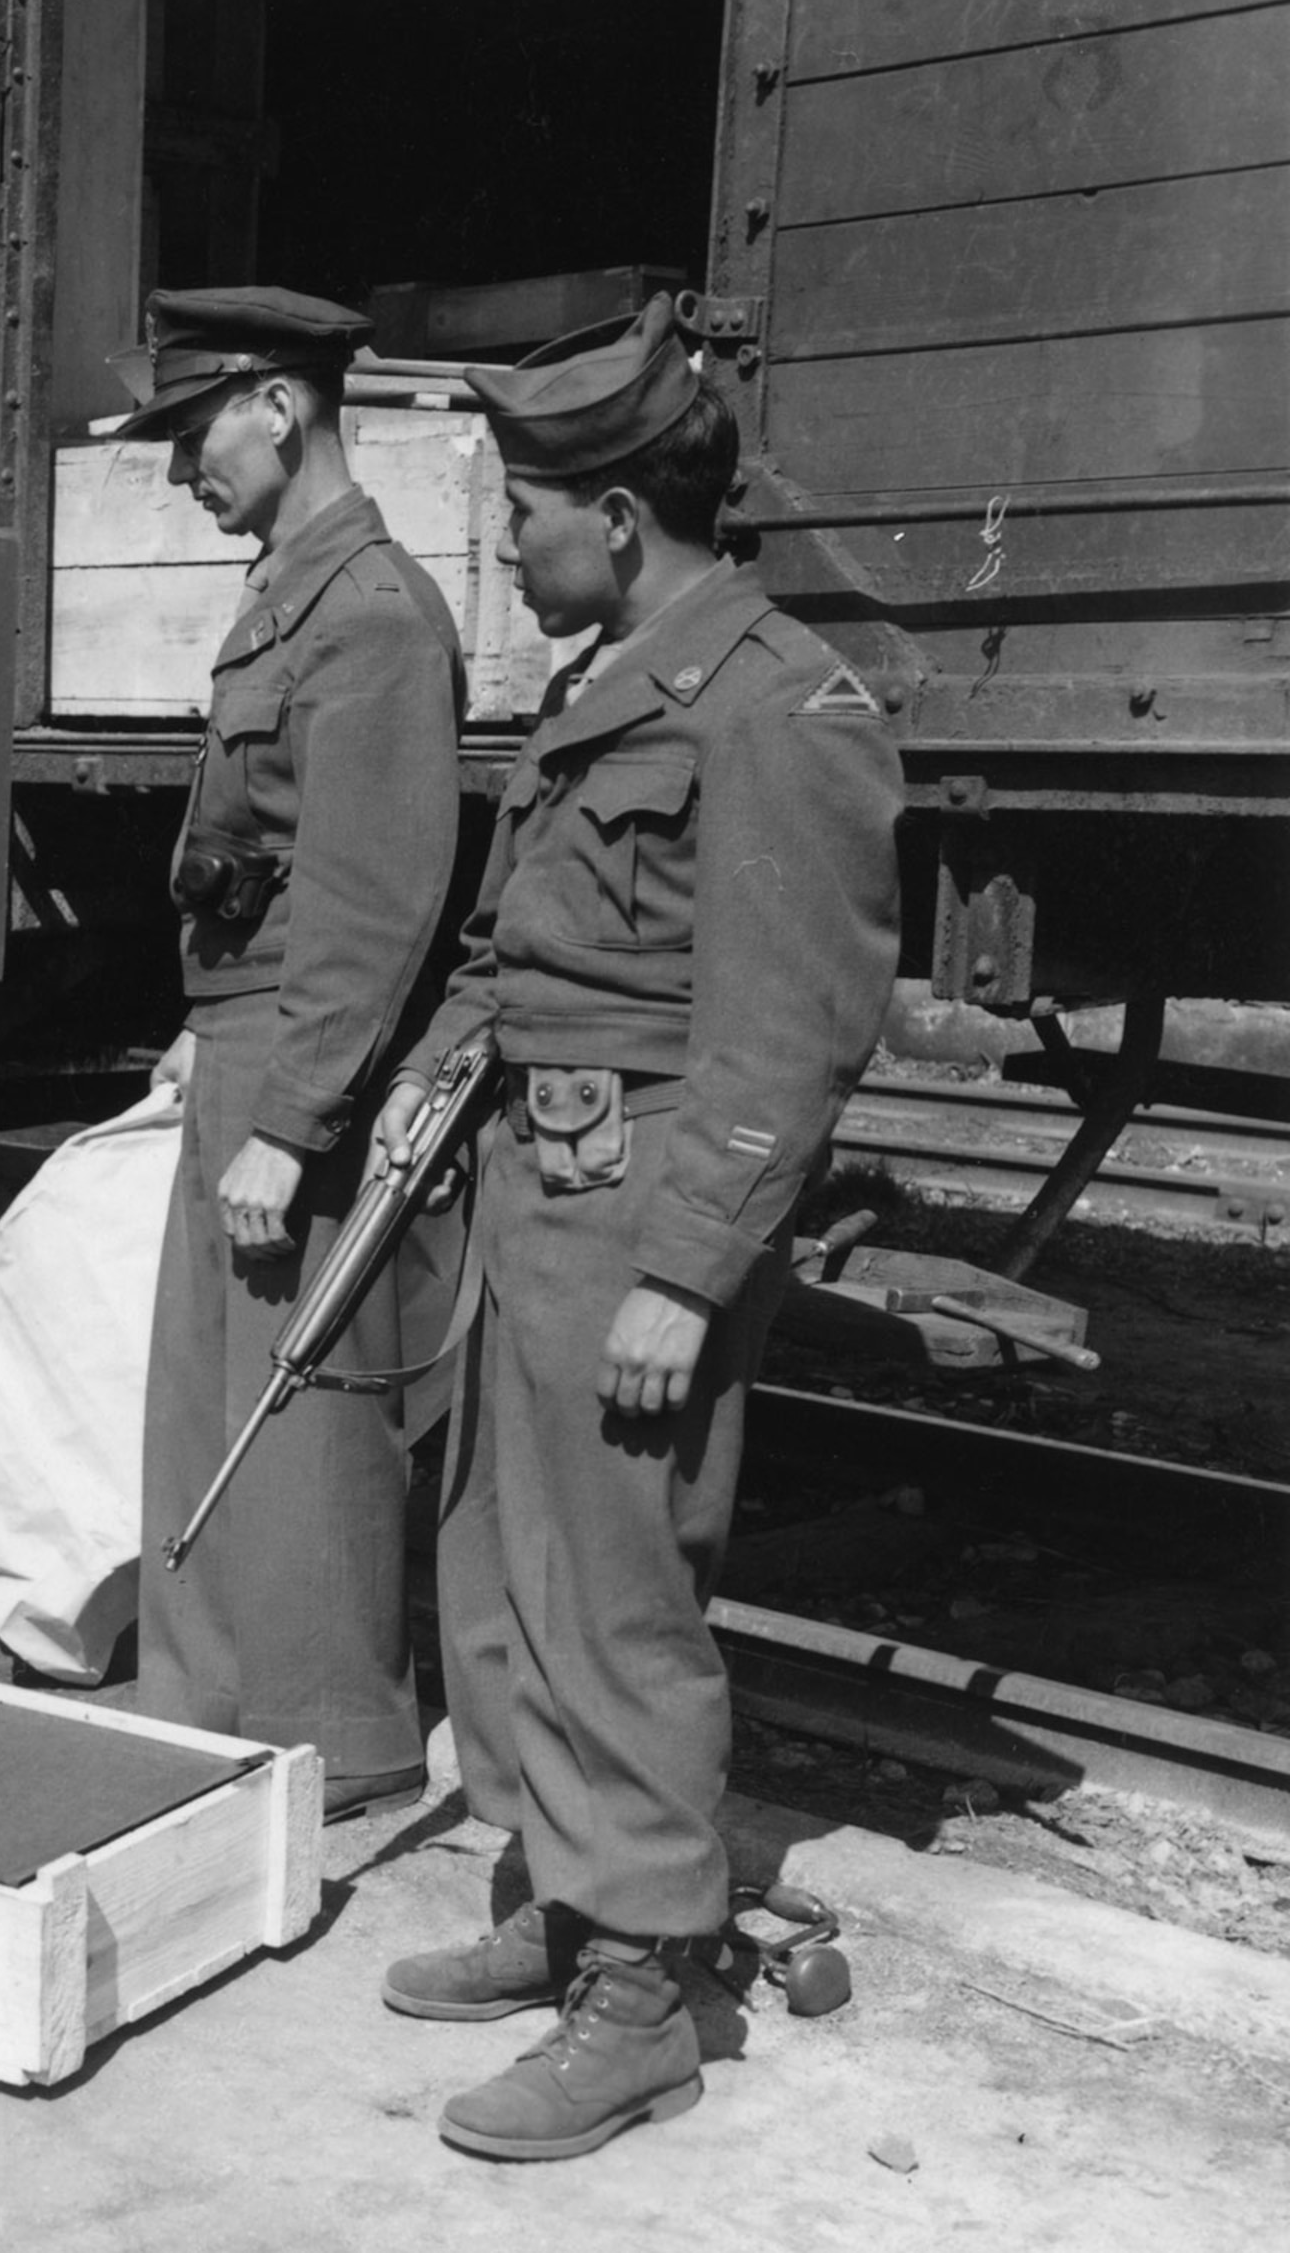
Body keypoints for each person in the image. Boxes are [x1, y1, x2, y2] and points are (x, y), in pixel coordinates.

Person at [369, 299, 902, 2159]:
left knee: (617, 1593)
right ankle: (567, 1893)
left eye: (520, 512)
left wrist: (689, 1267)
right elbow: (520, 948)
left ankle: (642, 1996)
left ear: (612, 514)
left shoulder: (774, 702)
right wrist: (425, 1081)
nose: (506, 545)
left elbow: (794, 1023)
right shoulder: (611, 680)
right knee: (505, 1567)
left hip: (644, 1203)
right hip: (543, 1176)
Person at [112, 288, 467, 1817]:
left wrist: (294, 1115)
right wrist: (208, 1037)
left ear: (279, 404)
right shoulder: (292, 594)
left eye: (194, 428)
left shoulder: (372, 613)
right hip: (246, 1037)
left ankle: (333, 1736)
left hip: (301, 1061)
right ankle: (207, 1715)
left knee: (304, 1408)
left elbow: (370, 895)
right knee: (213, 1396)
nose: (179, 465)